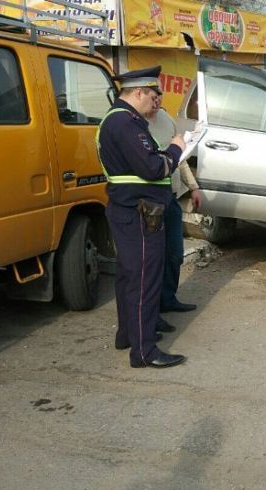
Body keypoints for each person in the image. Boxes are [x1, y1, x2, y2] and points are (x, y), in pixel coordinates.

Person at [96, 65, 186, 369]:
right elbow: (152, 168)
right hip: (139, 214)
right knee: (144, 281)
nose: (156, 100)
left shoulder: (122, 120)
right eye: (153, 94)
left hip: (131, 211)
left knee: (129, 277)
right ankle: (145, 351)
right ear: (139, 92)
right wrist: (175, 150)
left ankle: (128, 335)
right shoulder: (125, 123)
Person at [147, 94, 201, 321]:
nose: (157, 99)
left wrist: (193, 186)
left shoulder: (166, 119)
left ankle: (168, 299)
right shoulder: (133, 124)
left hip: (171, 198)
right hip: (150, 203)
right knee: (152, 260)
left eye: (159, 94)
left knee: (174, 254)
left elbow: (180, 157)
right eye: (152, 94)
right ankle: (152, 311)